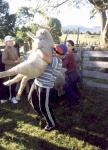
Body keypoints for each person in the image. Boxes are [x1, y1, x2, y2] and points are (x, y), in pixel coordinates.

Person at [28, 44, 67, 131]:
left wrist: (38, 48)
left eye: (57, 52)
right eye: (54, 50)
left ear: (62, 55)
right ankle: (41, 113)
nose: (54, 52)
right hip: (37, 82)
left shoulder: (57, 61)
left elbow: (43, 56)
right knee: (31, 98)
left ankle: (52, 123)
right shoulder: (52, 56)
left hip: (45, 86)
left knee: (44, 106)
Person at [62, 40, 82, 106]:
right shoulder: (71, 53)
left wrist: (58, 59)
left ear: (72, 47)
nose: (67, 47)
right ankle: (78, 96)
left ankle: (75, 98)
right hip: (76, 73)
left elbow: (64, 64)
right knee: (74, 86)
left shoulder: (69, 54)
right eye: (66, 45)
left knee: (66, 87)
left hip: (72, 74)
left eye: (69, 45)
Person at [2, 35, 20, 104]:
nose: (11, 42)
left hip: (15, 69)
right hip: (9, 70)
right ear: (6, 42)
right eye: (9, 41)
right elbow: (4, 60)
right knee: (11, 84)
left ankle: (13, 96)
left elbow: (16, 56)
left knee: (14, 83)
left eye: (11, 41)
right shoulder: (5, 50)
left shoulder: (14, 48)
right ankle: (11, 97)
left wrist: (18, 59)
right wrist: (14, 62)